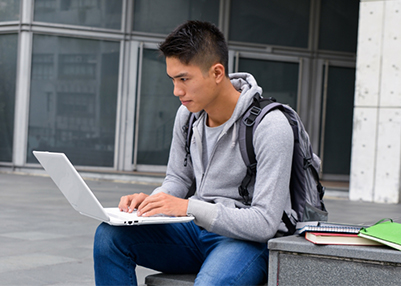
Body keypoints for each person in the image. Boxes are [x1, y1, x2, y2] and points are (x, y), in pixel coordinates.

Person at [93, 20, 294, 286]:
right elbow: (177, 179)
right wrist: (151, 204)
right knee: (109, 236)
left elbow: (265, 223)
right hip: (195, 231)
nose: (177, 91)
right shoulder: (188, 116)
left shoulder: (270, 126)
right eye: (173, 80)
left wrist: (188, 207)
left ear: (217, 72)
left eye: (184, 79)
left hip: (245, 242)